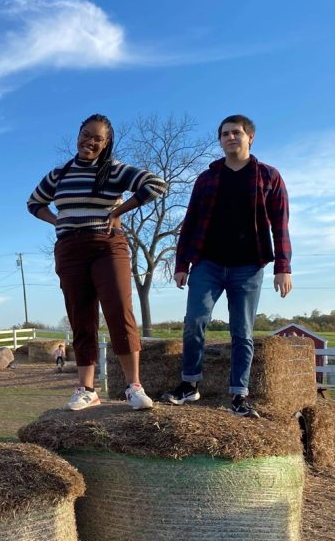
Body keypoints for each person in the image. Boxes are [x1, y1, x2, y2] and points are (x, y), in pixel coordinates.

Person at [27, 113, 167, 411]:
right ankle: (86, 389)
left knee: (118, 309)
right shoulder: (59, 175)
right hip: (69, 249)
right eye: (86, 134)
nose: (90, 142)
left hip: (107, 246)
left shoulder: (114, 170)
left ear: (106, 144)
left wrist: (118, 213)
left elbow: (155, 185)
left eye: (97, 139)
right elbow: (33, 202)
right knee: (81, 316)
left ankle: (133, 387)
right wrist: (56, 220)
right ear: (78, 134)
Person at [163, 114, 292, 418]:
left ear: (250, 137)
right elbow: (190, 222)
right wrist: (182, 264)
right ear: (220, 140)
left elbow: (280, 224)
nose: (230, 137)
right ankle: (190, 384)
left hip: (248, 266)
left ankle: (239, 395)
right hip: (207, 263)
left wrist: (283, 266)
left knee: (242, 331)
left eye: (236, 133)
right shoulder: (207, 178)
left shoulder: (268, 177)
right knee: (194, 320)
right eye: (224, 134)